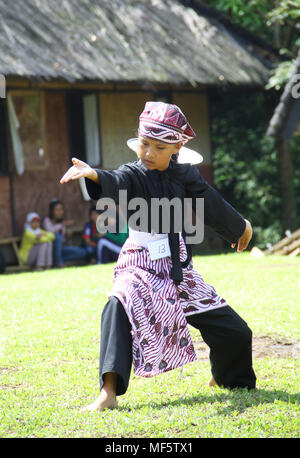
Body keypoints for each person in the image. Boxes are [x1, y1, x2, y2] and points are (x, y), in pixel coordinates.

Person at [60, 101, 256, 412]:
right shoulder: (134, 173)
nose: (148, 153)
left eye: (159, 147)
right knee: (116, 306)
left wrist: (239, 228)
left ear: (177, 146)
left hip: (178, 266)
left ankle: (228, 378)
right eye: (144, 144)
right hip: (139, 263)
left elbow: (210, 201)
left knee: (235, 331)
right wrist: (94, 174)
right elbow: (117, 179)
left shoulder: (185, 175)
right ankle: (108, 392)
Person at [42, 199, 88, 268]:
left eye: (61, 210)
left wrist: (67, 234)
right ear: (52, 211)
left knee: (83, 252)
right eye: (57, 210)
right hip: (50, 249)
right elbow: (50, 231)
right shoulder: (47, 220)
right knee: (56, 236)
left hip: (61, 249)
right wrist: (62, 224)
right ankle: (59, 263)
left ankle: (57, 260)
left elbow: (63, 241)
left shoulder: (61, 222)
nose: (60, 212)